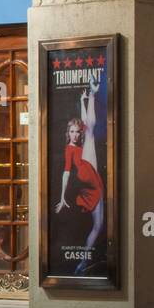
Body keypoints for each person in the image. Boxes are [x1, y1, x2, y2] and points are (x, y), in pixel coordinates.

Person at [54, 76, 105, 274]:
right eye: (72, 132)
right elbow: (65, 173)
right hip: (87, 174)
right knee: (90, 132)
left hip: (87, 179)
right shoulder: (71, 148)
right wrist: (61, 197)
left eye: (77, 132)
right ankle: (84, 261)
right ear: (69, 133)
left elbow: (85, 124)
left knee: (98, 225)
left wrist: (83, 101)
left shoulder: (73, 145)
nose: (75, 134)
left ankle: (83, 261)